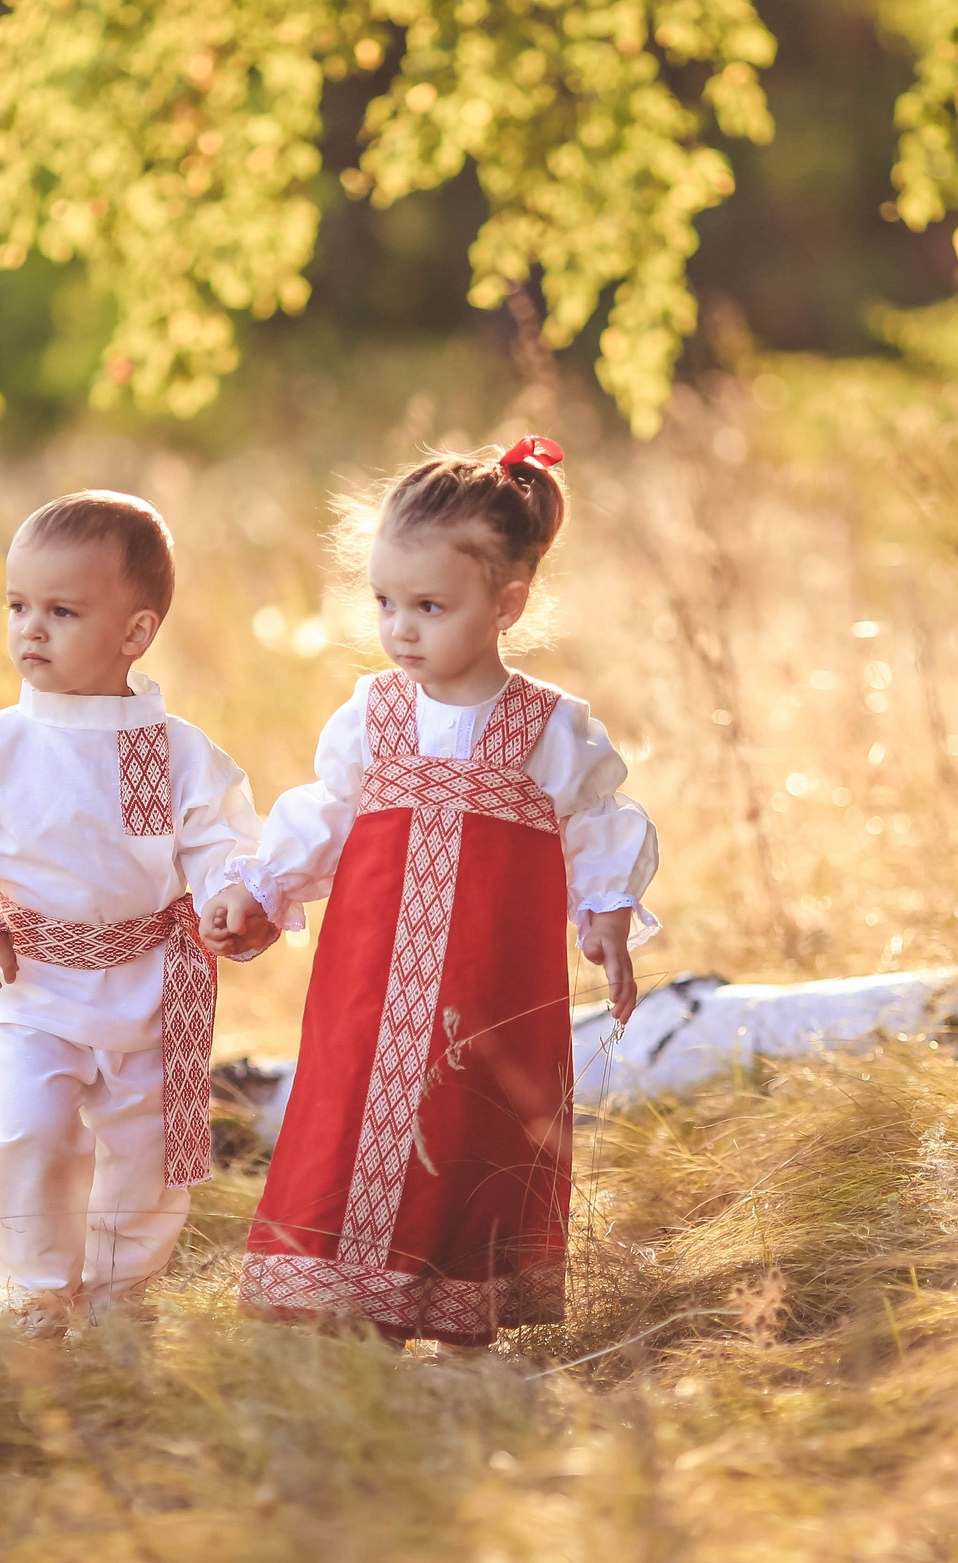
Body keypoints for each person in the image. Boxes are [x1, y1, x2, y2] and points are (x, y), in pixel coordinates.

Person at [216, 437, 658, 1346]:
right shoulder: (373, 716)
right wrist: (262, 887)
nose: (400, 628)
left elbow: (601, 825)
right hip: (370, 977)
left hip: (489, 984)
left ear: (507, 605)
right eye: (384, 603)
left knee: (474, 1120)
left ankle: (465, 1314)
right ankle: (351, 1304)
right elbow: (328, 815)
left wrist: (608, 918)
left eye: (428, 606)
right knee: (352, 1106)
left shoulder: (550, 728)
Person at [0, 491, 276, 1339]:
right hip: (29, 977)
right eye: (17, 606)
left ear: (134, 633)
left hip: (147, 982)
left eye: (62, 611)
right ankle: (34, 1288)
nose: (30, 629)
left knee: (144, 1151)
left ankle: (120, 1293)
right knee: (33, 1126)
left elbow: (223, 839)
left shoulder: (175, 750)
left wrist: (229, 895)